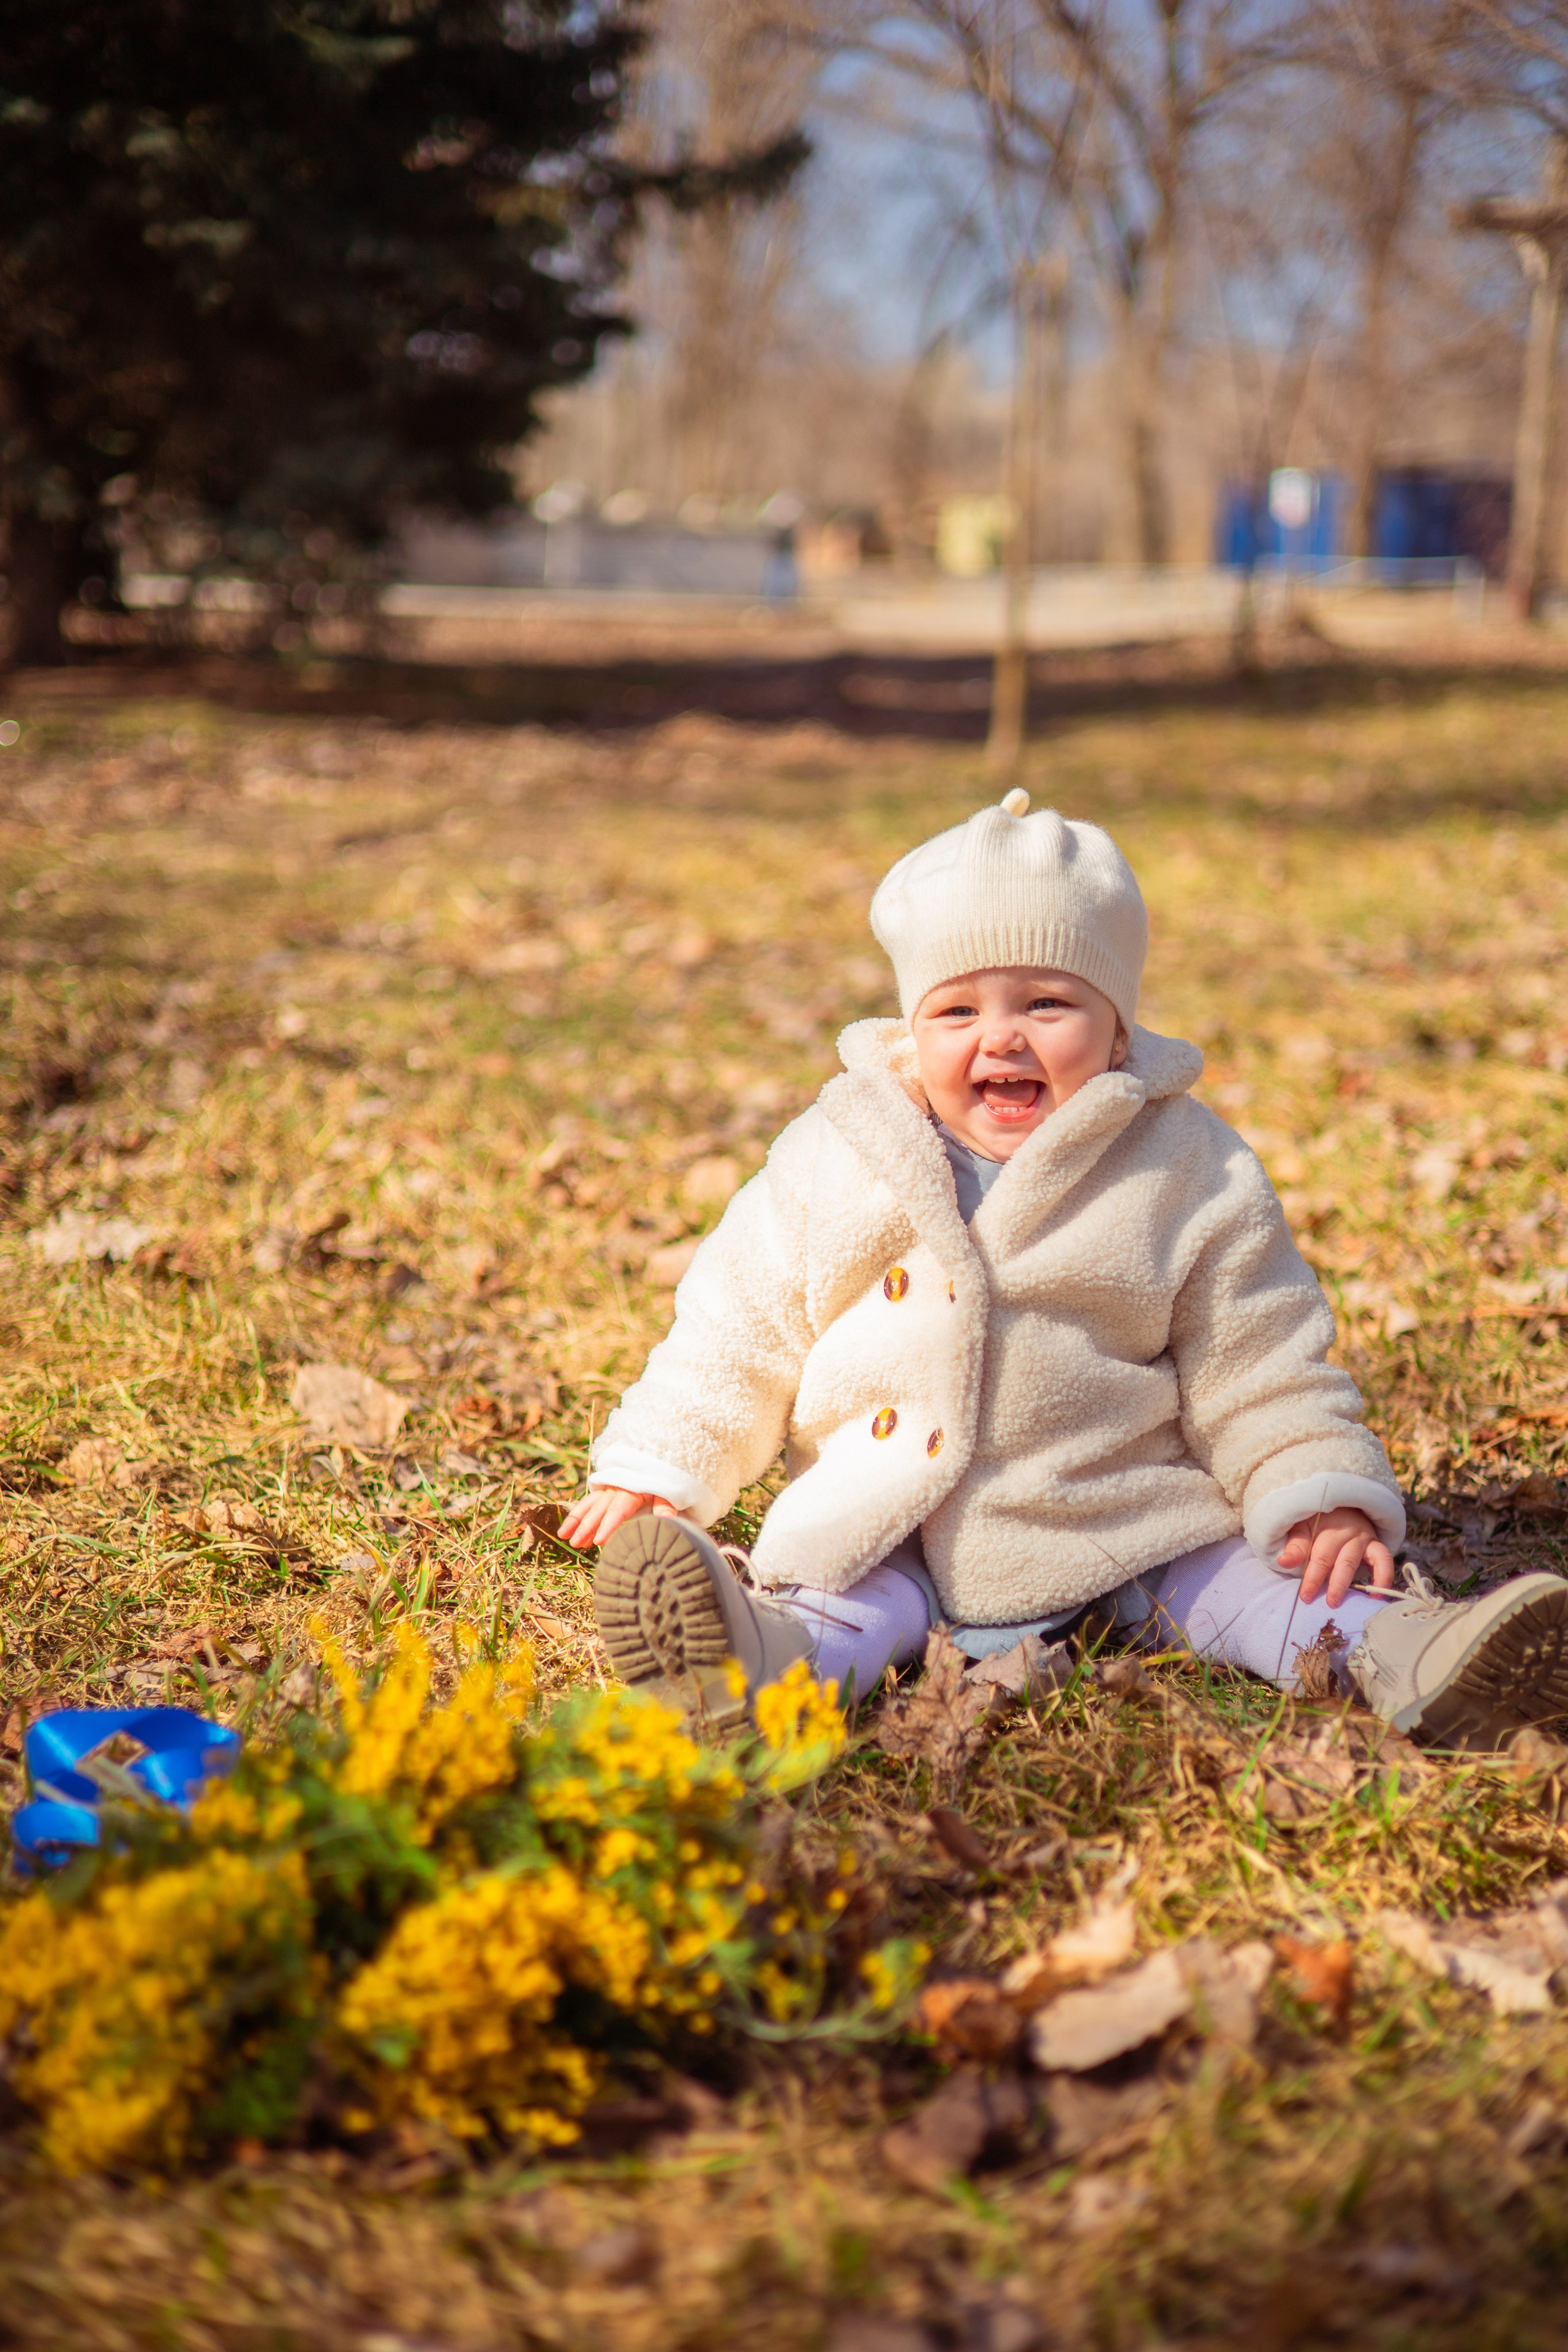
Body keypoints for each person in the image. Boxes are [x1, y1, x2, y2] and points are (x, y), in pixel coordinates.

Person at [562, 791, 1568, 1751]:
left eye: (1047, 1002)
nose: (1001, 1036)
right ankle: (749, 1671)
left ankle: (1411, 1656)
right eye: (957, 1013)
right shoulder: (841, 1155)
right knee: (836, 1610)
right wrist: (659, 1465)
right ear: (912, 1028)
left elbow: (1259, 1354)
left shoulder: (1186, 1166)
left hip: (1121, 1511)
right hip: (889, 1518)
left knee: (1276, 1585)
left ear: (1119, 1025)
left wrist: (1317, 1488)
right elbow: (738, 1325)